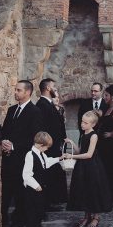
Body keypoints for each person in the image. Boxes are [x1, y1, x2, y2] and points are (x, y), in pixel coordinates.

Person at [1, 80, 42, 227]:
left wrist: (14, 146)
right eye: (15, 90)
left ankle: (19, 220)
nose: (16, 92)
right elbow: (5, 130)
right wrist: (4, 142)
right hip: (7, 157)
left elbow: (35, 138)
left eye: (19, 90)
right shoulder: (12, 110)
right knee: (5, 189)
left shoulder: (35, 112)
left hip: (23, 158)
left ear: (28, 92)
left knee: (20, 190)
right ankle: (2, 219)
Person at [63, 111, 113, 227]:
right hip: (83, 167)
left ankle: (95, 217)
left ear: (93, 124)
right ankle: (86, 216)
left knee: (94, 191)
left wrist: (72, 157)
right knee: (85, 190)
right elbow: (80, 151)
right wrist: (71, 143)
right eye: (82, 121)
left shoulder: (94, 136)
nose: (82, 124)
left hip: (92, 167)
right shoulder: (83, 134)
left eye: (85, 123)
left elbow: (89, 154)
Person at [22, 132, 60, 227]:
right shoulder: (30, 155)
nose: (47, 149)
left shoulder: (41, 154)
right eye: (46, 147)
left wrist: (59, 158)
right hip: (32, 190)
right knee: (32, 212)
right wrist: (36, 185)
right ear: (40, 144)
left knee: (40, 211)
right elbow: (26, 175)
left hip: (41, 189)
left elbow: (47, 163)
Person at [35, 78, 67, 209]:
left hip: (54, 144)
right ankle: (50, 200)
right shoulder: (42, 105)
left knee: (55, 171)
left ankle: (55, 199)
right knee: (50, 172)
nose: (55, 89)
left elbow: (58, 123)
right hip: (49, 145)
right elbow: (47, 126)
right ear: (48, 88)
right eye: (54, 87)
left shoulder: (49, 104)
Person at [97, 85, 113, 202]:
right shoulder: (107, 108)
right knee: (105, 169)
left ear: (112, 96)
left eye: (106, 95)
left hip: (111, 146)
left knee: (111, 168)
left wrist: (111, 134)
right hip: (104, 146)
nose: (104, 97)